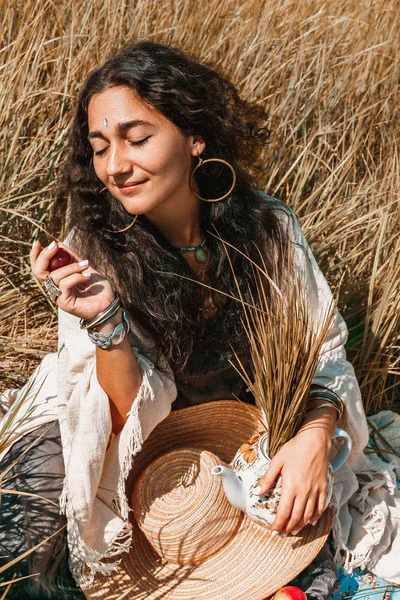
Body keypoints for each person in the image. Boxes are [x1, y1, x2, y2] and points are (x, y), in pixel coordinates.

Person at [1, 40, 399, 599]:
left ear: (195, 137)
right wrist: (105, 318)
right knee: (32, 549)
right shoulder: (90, 249)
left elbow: (322, 354)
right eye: (99, 148)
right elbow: (119, 419)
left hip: (230, 444)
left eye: (137, 139)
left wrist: (313, 437)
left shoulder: (269, 230)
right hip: (132, 448)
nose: (116, 166)